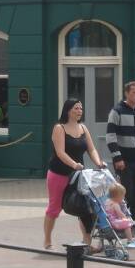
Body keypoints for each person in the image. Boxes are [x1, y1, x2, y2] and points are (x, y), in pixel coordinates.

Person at [43, 98, 104, 249]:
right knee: (54, 207)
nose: (79, 111)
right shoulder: (59, 128)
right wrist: (74, 164)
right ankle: (47, 240)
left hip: (78, 176)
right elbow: (60, 152)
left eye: (81, 108)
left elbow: (91, 149)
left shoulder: (83, 128)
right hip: (59, 174)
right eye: (76, 108)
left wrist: (98, 162)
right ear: (68, 110)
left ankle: (86, 242)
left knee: (84, 207)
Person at [106, 80, 135, 232]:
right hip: (123, 161)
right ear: (126, 93)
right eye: (134, 92)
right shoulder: (117, 111)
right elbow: (110, 136)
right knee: (126, 196)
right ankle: (122, 228)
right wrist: (117, 158)